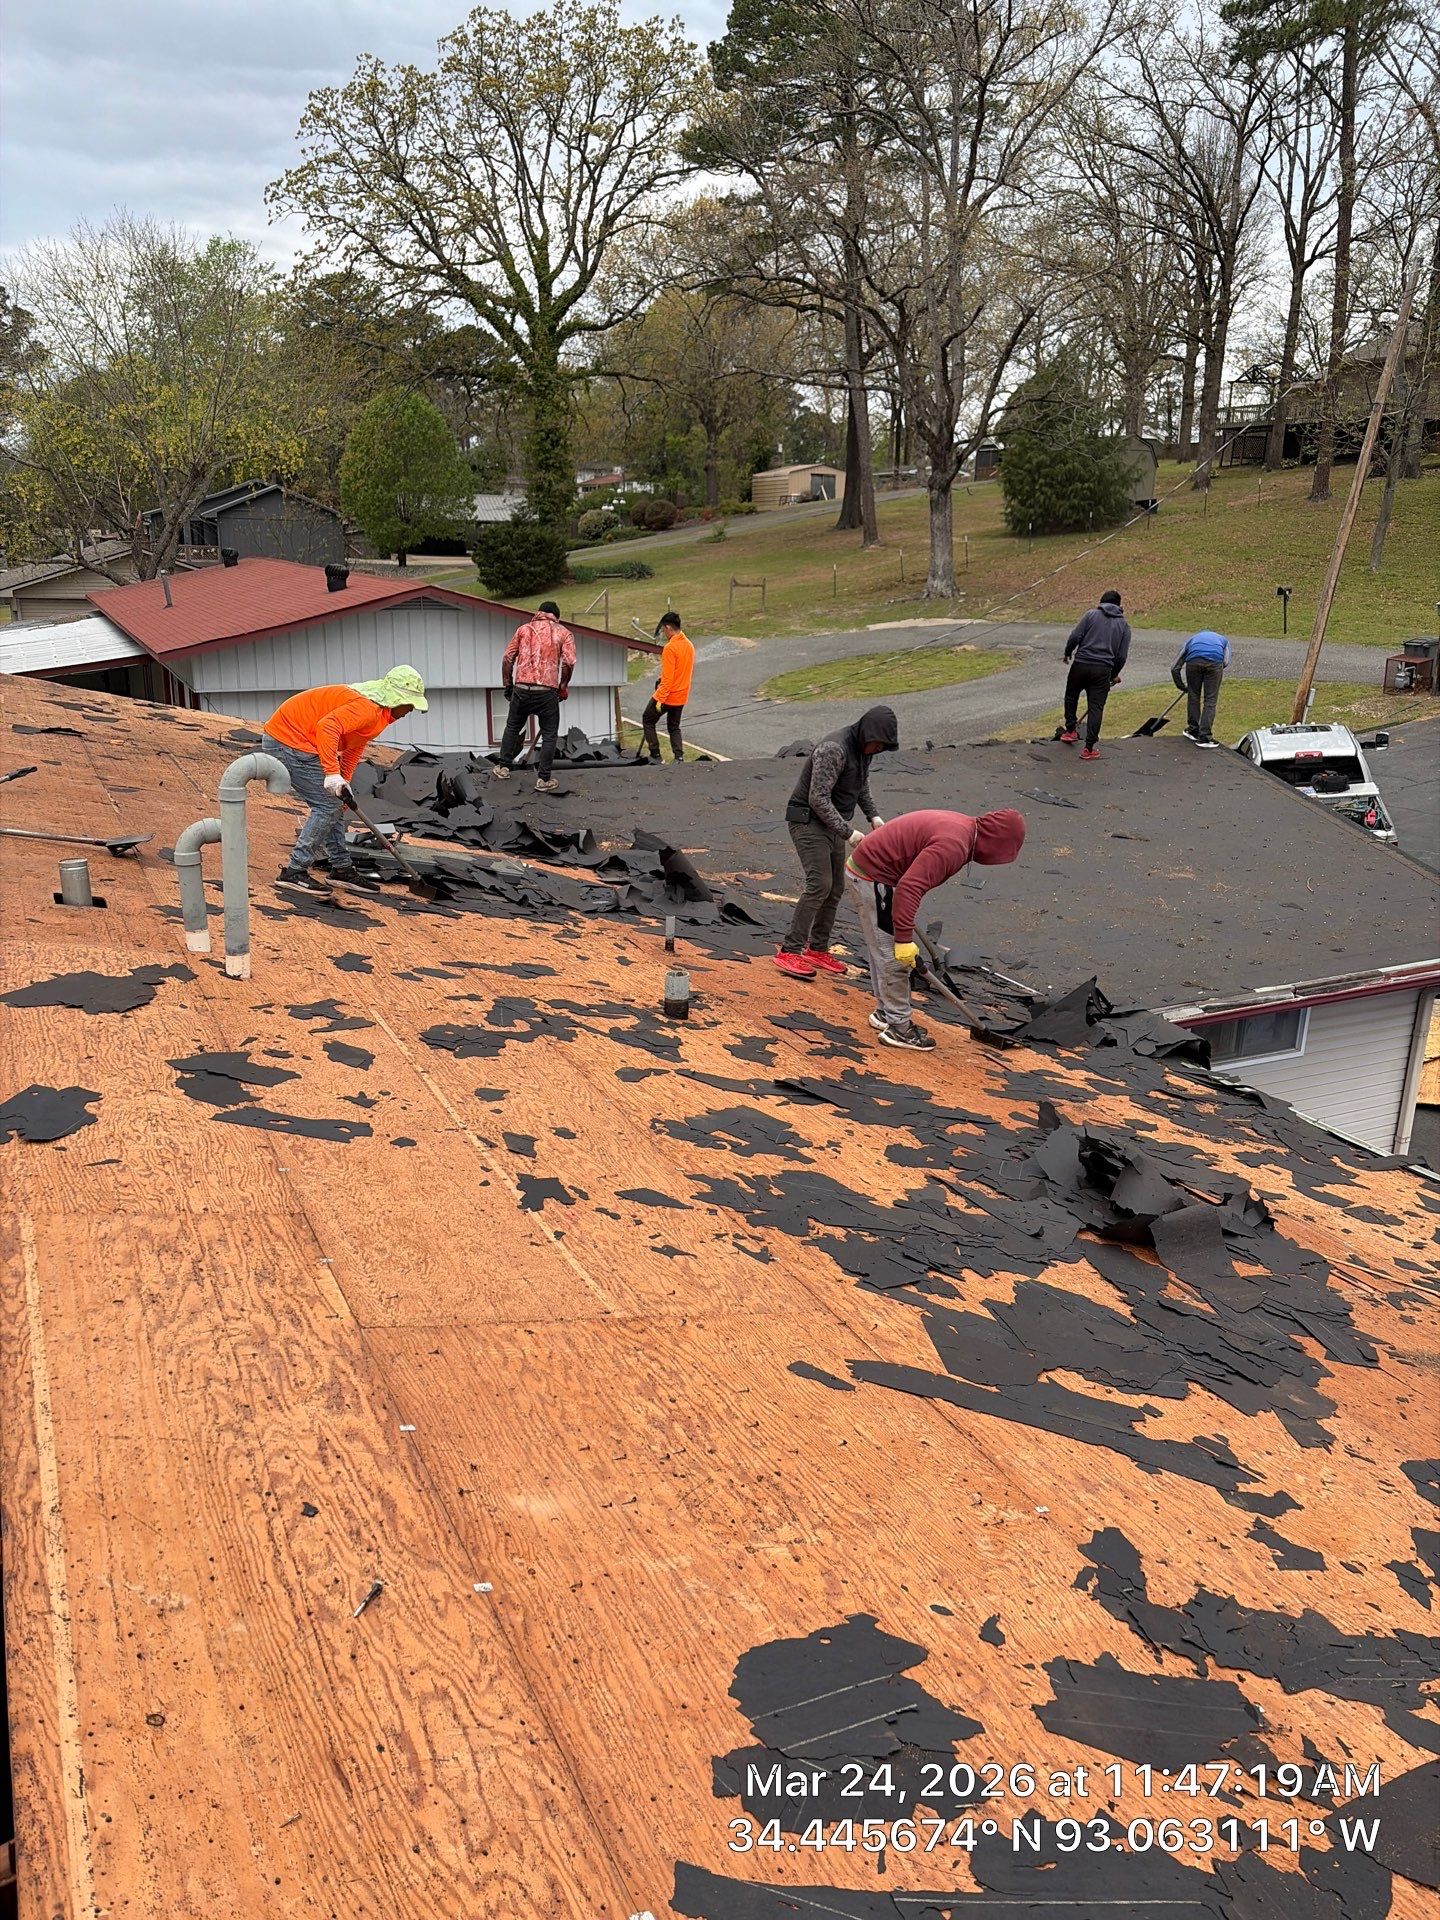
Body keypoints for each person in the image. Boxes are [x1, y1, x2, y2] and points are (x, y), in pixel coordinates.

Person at [844, 808, 1027, 1051]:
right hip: (873, 876)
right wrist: (904, 940)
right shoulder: (953, 845)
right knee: (893, 956)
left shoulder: (964, 828)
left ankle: (886, 1013)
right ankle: (899, 1028)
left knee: (882, 948)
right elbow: (910, 887)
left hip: (874, 871)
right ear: (996, 843)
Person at [264, 666, 427, 889]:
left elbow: (354, 744)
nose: (410, 710)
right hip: (288, 740)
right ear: (395, 699)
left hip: (302, 741)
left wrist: (344, 780)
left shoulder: (379, 713)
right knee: (327, 806)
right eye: (409, 704)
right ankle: (294, 871)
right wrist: (332, 773)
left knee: (336, 804)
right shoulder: (367, 708)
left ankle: (341, 868)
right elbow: (328, 727)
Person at [774, 705, 898, 981]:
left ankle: (817, 948)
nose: (878, 750)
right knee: (820, 884)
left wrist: (874, 817)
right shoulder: (834, 749)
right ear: (868, 734)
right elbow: (817, 798)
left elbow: (861, 786)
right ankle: (790, 950)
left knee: (836, 888)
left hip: (833, 823)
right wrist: (849, 833)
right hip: (808, 821)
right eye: (878, 744)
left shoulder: (864, 751)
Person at [494, 600, 576, 792]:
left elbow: (507, 658)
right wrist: (563, 686)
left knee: (512, 727)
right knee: (549, 735)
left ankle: (503, 767)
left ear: (538, 613)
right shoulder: (563, 633)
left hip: (521, 689)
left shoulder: (523, 630)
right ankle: (543, 779)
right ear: (556, 616)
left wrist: (508, 685)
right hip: (546, 692)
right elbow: (569, 662)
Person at [1059, 590, 1131, 759]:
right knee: (1096, 707)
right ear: (1119, 606)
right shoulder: (1124, 626)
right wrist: (1113, 674)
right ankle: (1089, 748)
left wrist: (1068, 652)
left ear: (1101, 602)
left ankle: (1070, 731)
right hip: (1102, 670)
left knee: (1071, 696)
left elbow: (1075, 636)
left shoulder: (1090, 615)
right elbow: (1121, 656)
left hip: (1081, 663)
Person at [642, 611, 694, 763]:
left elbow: (668, 679)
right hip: (682, 695)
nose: (664, 633)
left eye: (664, 630)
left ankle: (656, 756)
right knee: (674, 726)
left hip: (668, 695)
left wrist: (660, 699)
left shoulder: (670, 648)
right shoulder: (689, 645)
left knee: (648, 719)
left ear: (668, 627)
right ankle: (679, 757)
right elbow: (681, 671)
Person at [1171, 628, 1231, 746]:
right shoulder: (1224, 640)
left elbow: (1174, 668)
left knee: (1193, 696)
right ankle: (1204, 737)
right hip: (1215, 663)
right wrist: (1213, 671)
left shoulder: (1191, 640)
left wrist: (1182, 686)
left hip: (1193, 662)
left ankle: (1193, 730)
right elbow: (1226, 661)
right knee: (1210, 701)